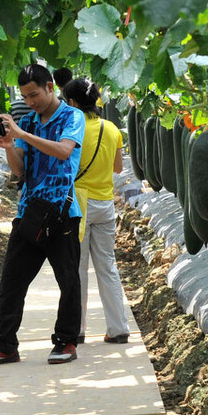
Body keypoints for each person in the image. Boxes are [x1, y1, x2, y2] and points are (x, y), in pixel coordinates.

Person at [0, 64, 87, 366]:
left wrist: (22, 132)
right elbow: (20, 170)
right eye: (25, 97)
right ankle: (4, 346)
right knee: (12, 279)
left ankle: (66, 342)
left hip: (62, 212)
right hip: (29, 211)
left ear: (50, 87)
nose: (30, 102)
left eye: (34, 94)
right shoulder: (29, 121)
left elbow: (65, 151)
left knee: (68, 281)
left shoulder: (72, 117)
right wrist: (11, 145)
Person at [63, 78, 131, 345]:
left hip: (78, 205)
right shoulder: (113, 129)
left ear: (72, 103)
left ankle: (77, 330)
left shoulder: (72, 129)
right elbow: (117, 169)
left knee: (77, 269)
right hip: (105, 204)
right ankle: (118, 328)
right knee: (108, 267)